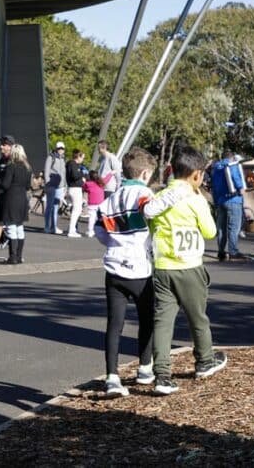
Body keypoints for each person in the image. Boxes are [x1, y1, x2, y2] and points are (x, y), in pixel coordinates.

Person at [148, 144, 226, 395]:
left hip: (162, 267)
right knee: (198, 317)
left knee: (162, 321)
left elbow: (151, 225)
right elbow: (210, 232)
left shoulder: (159, 198)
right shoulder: (195, 200)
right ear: (196, 175)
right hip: (190, 266)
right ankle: (204, 360)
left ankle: (161, 375)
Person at [95, 147, 157, 398]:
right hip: (140, 268)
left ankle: (112, 376)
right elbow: (151, 213)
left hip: (114, 266)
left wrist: (113, 242)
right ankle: (145, 368)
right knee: (146, 320)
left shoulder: (109, 199)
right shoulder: (144, 194)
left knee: (115, 324)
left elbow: (99, 231)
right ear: (144, 173)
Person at [0, 143, 31, 264]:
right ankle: (19, 256)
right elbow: (27, 186)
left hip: (11, 199)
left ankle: (12, 257)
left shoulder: (12, 166)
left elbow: (5, 184)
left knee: (11, 227)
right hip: (22, 199)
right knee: (20, 228)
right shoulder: (27, 167)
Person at [211, 150, 248, 261]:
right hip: (234, 199)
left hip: (221, 201)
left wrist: (216, 201)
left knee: (221, 228)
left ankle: (221, 252)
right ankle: (233, 252)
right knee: (233, 227)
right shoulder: (231, 164)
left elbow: (214, 186)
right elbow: (235, 175)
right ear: (232, 157)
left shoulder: (216, 168)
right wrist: (240, 187)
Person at [43, 141, 67, 235]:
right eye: (59, 148)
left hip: (60, 186)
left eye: (62, 148)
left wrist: (65, 185)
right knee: (49, 206)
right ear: (56, 149)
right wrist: (47, 182)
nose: (61, 150)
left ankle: (53, 226)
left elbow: (64, 173)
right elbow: (46, 170)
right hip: (51, 185)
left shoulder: (63, 159)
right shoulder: (51, 157)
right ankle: (47, 226)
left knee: (56, 207)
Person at [65, 149, 86, 237]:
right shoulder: (73, 164)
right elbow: (75, 175)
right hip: (75, 189)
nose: (83, 159)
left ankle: (72, 229)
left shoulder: (73, 164)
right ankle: (71, 230)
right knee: (77, 210)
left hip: (74, 188)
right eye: (82, 157)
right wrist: (82, 174)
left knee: (76, 209)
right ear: (78, 156)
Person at [83, 170, 105, 240]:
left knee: (91, 218)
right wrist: (111, 173)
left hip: (92, 204)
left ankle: (90, 231)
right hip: (100, 204)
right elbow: (107, 179)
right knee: (99, 219)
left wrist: (84, 181)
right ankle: (99, 232)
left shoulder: (87, 184)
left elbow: (84, 188)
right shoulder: (101, 183)